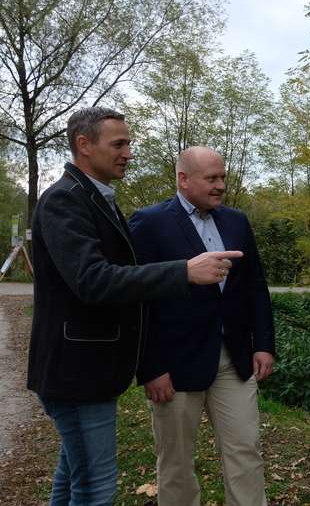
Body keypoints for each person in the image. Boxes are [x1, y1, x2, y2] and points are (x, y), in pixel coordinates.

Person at [28, 108, 240, 506]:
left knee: (73, 480)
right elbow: (92, 280)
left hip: (88, 370)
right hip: (76, 371)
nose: (128, 153)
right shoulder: (65, 201)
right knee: (96, 488)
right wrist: (183, 272)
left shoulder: (95, 198)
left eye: (129, 143)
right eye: (119, 144)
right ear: (84, 145)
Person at [128, 146, 275, 506]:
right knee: (176, 463)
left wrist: (264, 344)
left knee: (246, 452)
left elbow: (255, 285)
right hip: (175, 368)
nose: (221, 185)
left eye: (222, 177)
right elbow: (137, 300)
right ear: (183, 179)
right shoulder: (149, 223)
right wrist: (151, 367)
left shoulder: (236, 221)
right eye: (212, 178)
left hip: (234, 361)